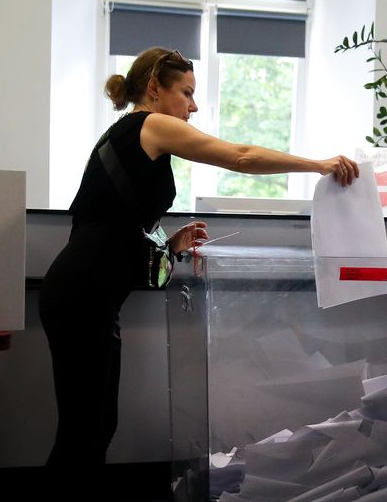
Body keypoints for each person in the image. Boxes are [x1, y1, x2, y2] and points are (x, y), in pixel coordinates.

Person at [40, 47, 359, 490]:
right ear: (154, 87)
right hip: (79, 297)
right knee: (84, 432)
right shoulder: (149, 124)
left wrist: (170, 246)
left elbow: (115, 238)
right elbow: (240, 157)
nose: (193, 106)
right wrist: (318, 164)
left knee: (94, 428)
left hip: (87, 296)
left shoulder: (130, 138)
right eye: (186, 93)